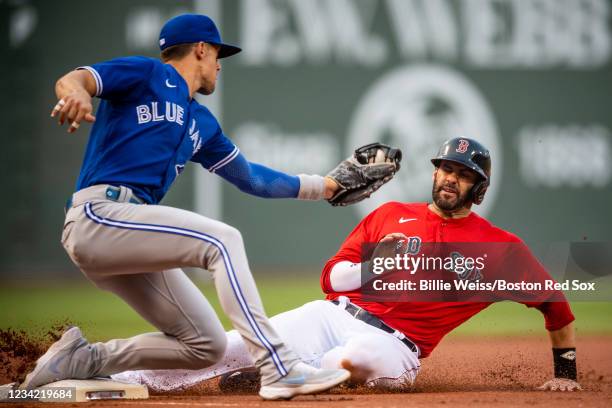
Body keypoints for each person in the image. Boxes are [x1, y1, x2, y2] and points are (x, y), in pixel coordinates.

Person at [18, 13, 404, 400]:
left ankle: (83, 358)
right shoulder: (147, 74)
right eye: (218, 53)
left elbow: (252, 178)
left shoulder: (201, 121)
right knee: (222, 240)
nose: (220, 64)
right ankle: (278, 368)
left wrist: (327, 186)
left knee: (205, 345)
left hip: (128, 235)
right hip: (99, 215)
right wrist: (77, 94)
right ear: (200, 49)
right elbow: (76, 79)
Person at [113, 137, 582, 393]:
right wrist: (376, 266)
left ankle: (283, 373)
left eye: (462, 175)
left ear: (478, 188)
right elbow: (332, 278)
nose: (449, 178)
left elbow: (557, 307)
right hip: (333, 313)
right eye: (445, 168)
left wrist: (566, 377)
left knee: (354, 358)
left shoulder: (500, 248)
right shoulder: (390, 214)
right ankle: (116, 379)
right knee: (235, 344)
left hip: (397, 348)